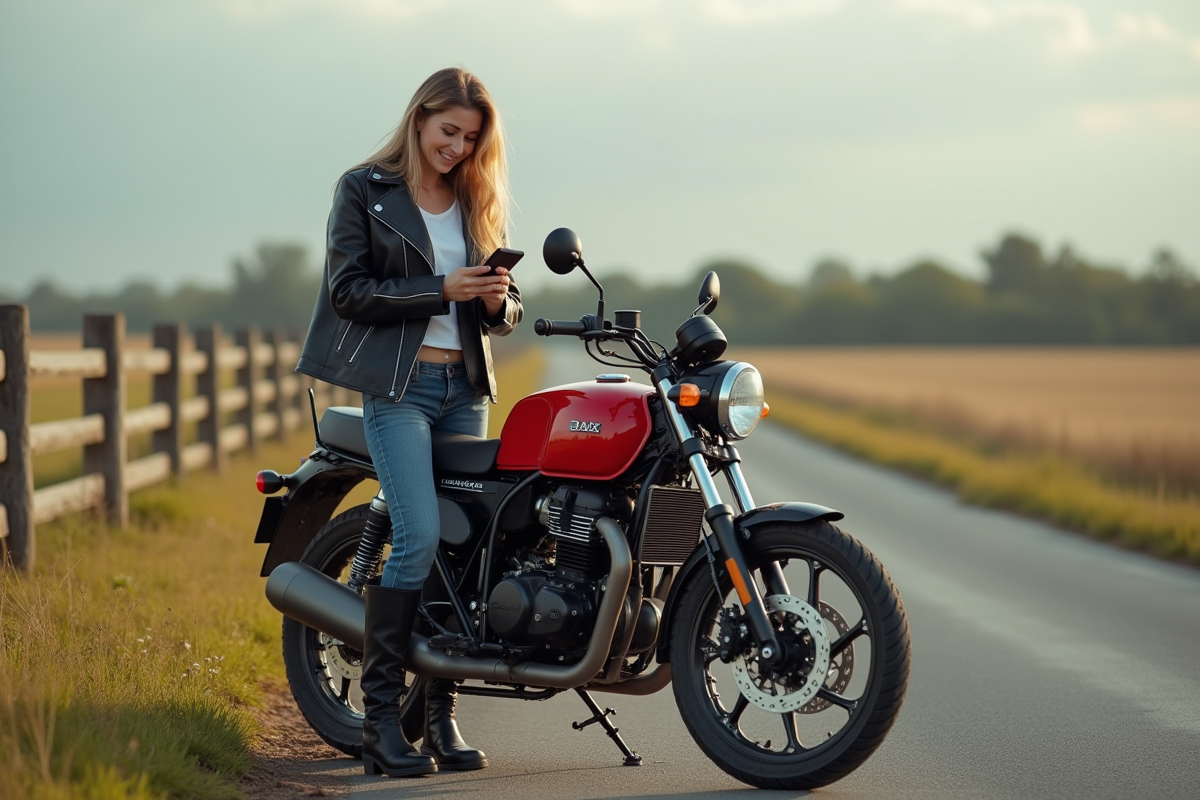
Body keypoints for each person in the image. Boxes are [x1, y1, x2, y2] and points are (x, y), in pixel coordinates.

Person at [296, 67, 522, 778]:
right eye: (449, 131)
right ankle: (381, 727)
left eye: (471, 138)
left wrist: (493, 302)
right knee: (419, 533)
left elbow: (506, 311)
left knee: (460, 551)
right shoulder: (365, 188)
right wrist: (439, 288)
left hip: (464, 387)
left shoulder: (473, 197)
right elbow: (348, 291)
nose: (458, 147)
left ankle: (440, 718)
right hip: (399, 389)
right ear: (420, 117)